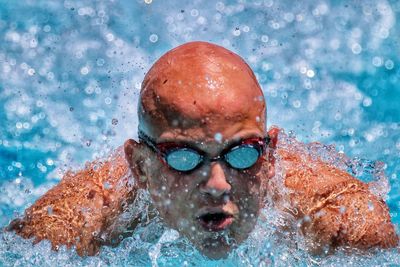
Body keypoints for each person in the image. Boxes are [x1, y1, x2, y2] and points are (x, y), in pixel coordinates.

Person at [8, 41, 398, 259]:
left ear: (271, 153)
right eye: (184, 157)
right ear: (141, 169)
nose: (217, 184)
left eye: (241, 153)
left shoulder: (342, 223)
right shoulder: (65, 231)